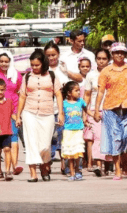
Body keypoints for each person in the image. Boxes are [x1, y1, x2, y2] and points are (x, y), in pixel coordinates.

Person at [95, 42, 127, 180]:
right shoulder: (106, 71)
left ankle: (124, 160)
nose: (119, 55)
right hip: (111, 109)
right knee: (115, 138)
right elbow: (100, 92)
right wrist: (96, 109)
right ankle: (118, 169)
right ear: (112, 54)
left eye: (122, 52)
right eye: (117, 52)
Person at [16, 49, 64, 182]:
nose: (34, 67)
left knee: (45, 145)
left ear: (43, 63)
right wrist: (18, 115)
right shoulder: (27, 77)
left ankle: (44, 167)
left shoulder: (52, 76)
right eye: (32, 65)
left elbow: (59, 94)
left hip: (47, 113)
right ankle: (33, 173)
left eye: (37, 65)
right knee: (31, 142)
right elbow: (22, 96)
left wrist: (60, 113)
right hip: (29, 112)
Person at [0, 50, 23, 175]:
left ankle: (14, 166)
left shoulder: (17, 75)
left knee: (13, 137)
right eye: (1, 61)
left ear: (10, 62)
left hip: (13, 110)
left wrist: (19, 113)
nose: (4, 64)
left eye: (6, 61)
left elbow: (20, 92)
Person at [83, 49, 112, 176]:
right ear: (96, 60)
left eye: (104, 58)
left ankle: (108, 166)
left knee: (110, 137)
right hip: (95, 111)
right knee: (98, 137)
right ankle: (98, 165)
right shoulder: (91, 75)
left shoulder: (113, 73)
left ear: (108, 60)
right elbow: (87, 95)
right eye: (99, 58)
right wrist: (85, 113)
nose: (101, 61)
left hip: (111, 109)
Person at [44, 42, 69, 173]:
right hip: (47, 108)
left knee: (63, 137)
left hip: (63, 108)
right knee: (49, 138)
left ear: (58, 55)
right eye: (48, 55)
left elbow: (78, 79)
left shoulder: (63, 68)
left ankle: (64, 164)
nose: (51, 58)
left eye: (53, 55)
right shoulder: (42, 70)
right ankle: (47, 163)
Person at [61, 81, 93, 181]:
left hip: (78, 130)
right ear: (69, 93)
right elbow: (61, 115)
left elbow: (87, 110)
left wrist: (94, 116)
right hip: (68, 131)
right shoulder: (64, 103)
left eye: (79, 90)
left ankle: (78, 170)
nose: (79, 92)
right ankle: (71, 172)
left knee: (78, 152)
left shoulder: (80, 101)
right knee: (70, 153)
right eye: (76, 90)